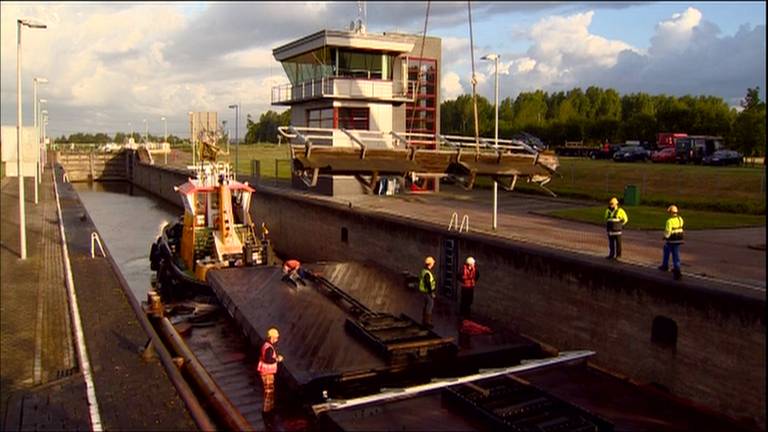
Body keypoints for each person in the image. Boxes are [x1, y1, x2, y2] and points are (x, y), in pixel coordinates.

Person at [258, 327, 284, 415]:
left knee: (269, 390)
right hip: (267, 372)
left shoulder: (266, 344)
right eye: (276, 338)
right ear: (272, 337)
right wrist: (277, 359)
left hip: (266, 372)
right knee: (269, 390)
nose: (277, 340)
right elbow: (268, 360)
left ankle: (269, 407)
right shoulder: (269, 348)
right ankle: (267, 410)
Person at [659, 205, 685, 280]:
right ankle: (669, 266)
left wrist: (665, 237)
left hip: (672, 240)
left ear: (670, 212)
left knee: (671, 253)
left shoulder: (669, 221)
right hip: (679, 239)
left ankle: (676, 271)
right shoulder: (680, 219)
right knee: (672, 252)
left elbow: (668, 231)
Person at [419, 256, 437, 328]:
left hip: (424, 292)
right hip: (427, 292)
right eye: (432, 263)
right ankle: (427, 322)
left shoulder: (424, 270)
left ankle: (424, 320)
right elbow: (428, 284)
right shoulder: (427, 273)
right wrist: (431, 293)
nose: (433, 264)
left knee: (426, 305)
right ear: (430, 264)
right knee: (430, 305)